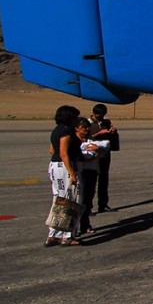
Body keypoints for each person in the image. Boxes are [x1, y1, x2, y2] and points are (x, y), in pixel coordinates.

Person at [46, 105, 82, 247]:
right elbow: (63, 153)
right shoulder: (66, 131)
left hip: (55, 166)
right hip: (64, 167)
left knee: (59, 199)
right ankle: (67, 236)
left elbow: (51, 150)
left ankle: (53, 234)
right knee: (71, 200)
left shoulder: (57, 130)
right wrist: (72, 173)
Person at [77, 119, 109, 236]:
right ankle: (76, 226)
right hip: (81, 172)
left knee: (88, 199)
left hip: (92, 171)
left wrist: (98, 151)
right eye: (83, 128)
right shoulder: (76, 142)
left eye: (87, 128)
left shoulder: (90, 140)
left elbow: (102, 150)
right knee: (80, 200)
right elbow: (80, 157)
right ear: (77, 128)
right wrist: (91, 154)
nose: (86, 130)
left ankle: (85, 225)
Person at [87, 104, 117, 213]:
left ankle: (103, 204)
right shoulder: (87, 124)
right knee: (91, 182)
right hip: (92, 157)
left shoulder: (106, 122)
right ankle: (88, 207)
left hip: (105, 155)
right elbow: (85, 139)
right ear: (94, 113)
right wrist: (98, 133)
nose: (101, 117)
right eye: (99, 115)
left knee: (104, 181)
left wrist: (112, 132)